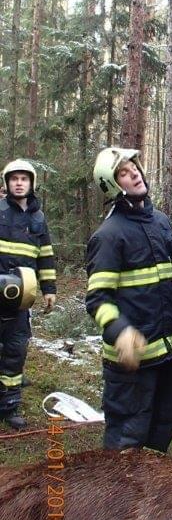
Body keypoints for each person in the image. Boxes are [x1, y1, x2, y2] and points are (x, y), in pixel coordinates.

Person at [85, 147, 172, 451]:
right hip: (133, 368)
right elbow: (97, 299)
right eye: (123, 173)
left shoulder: (161, 222)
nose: (134, 173)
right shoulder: (108, 236)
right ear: (112, 185)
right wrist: (121, 332)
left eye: (134, 167)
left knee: (164, 428)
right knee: (127, 441)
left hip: (169, 358)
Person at [0, 159, 56, 429]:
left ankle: (9, 406)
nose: (19, 183)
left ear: (32, 183)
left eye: (24, 179)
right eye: (14, 179)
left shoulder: (38, 218)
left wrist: (49, 290)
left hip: (22, 298)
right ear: (7, 183)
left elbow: (45, 256)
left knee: (15, 350)